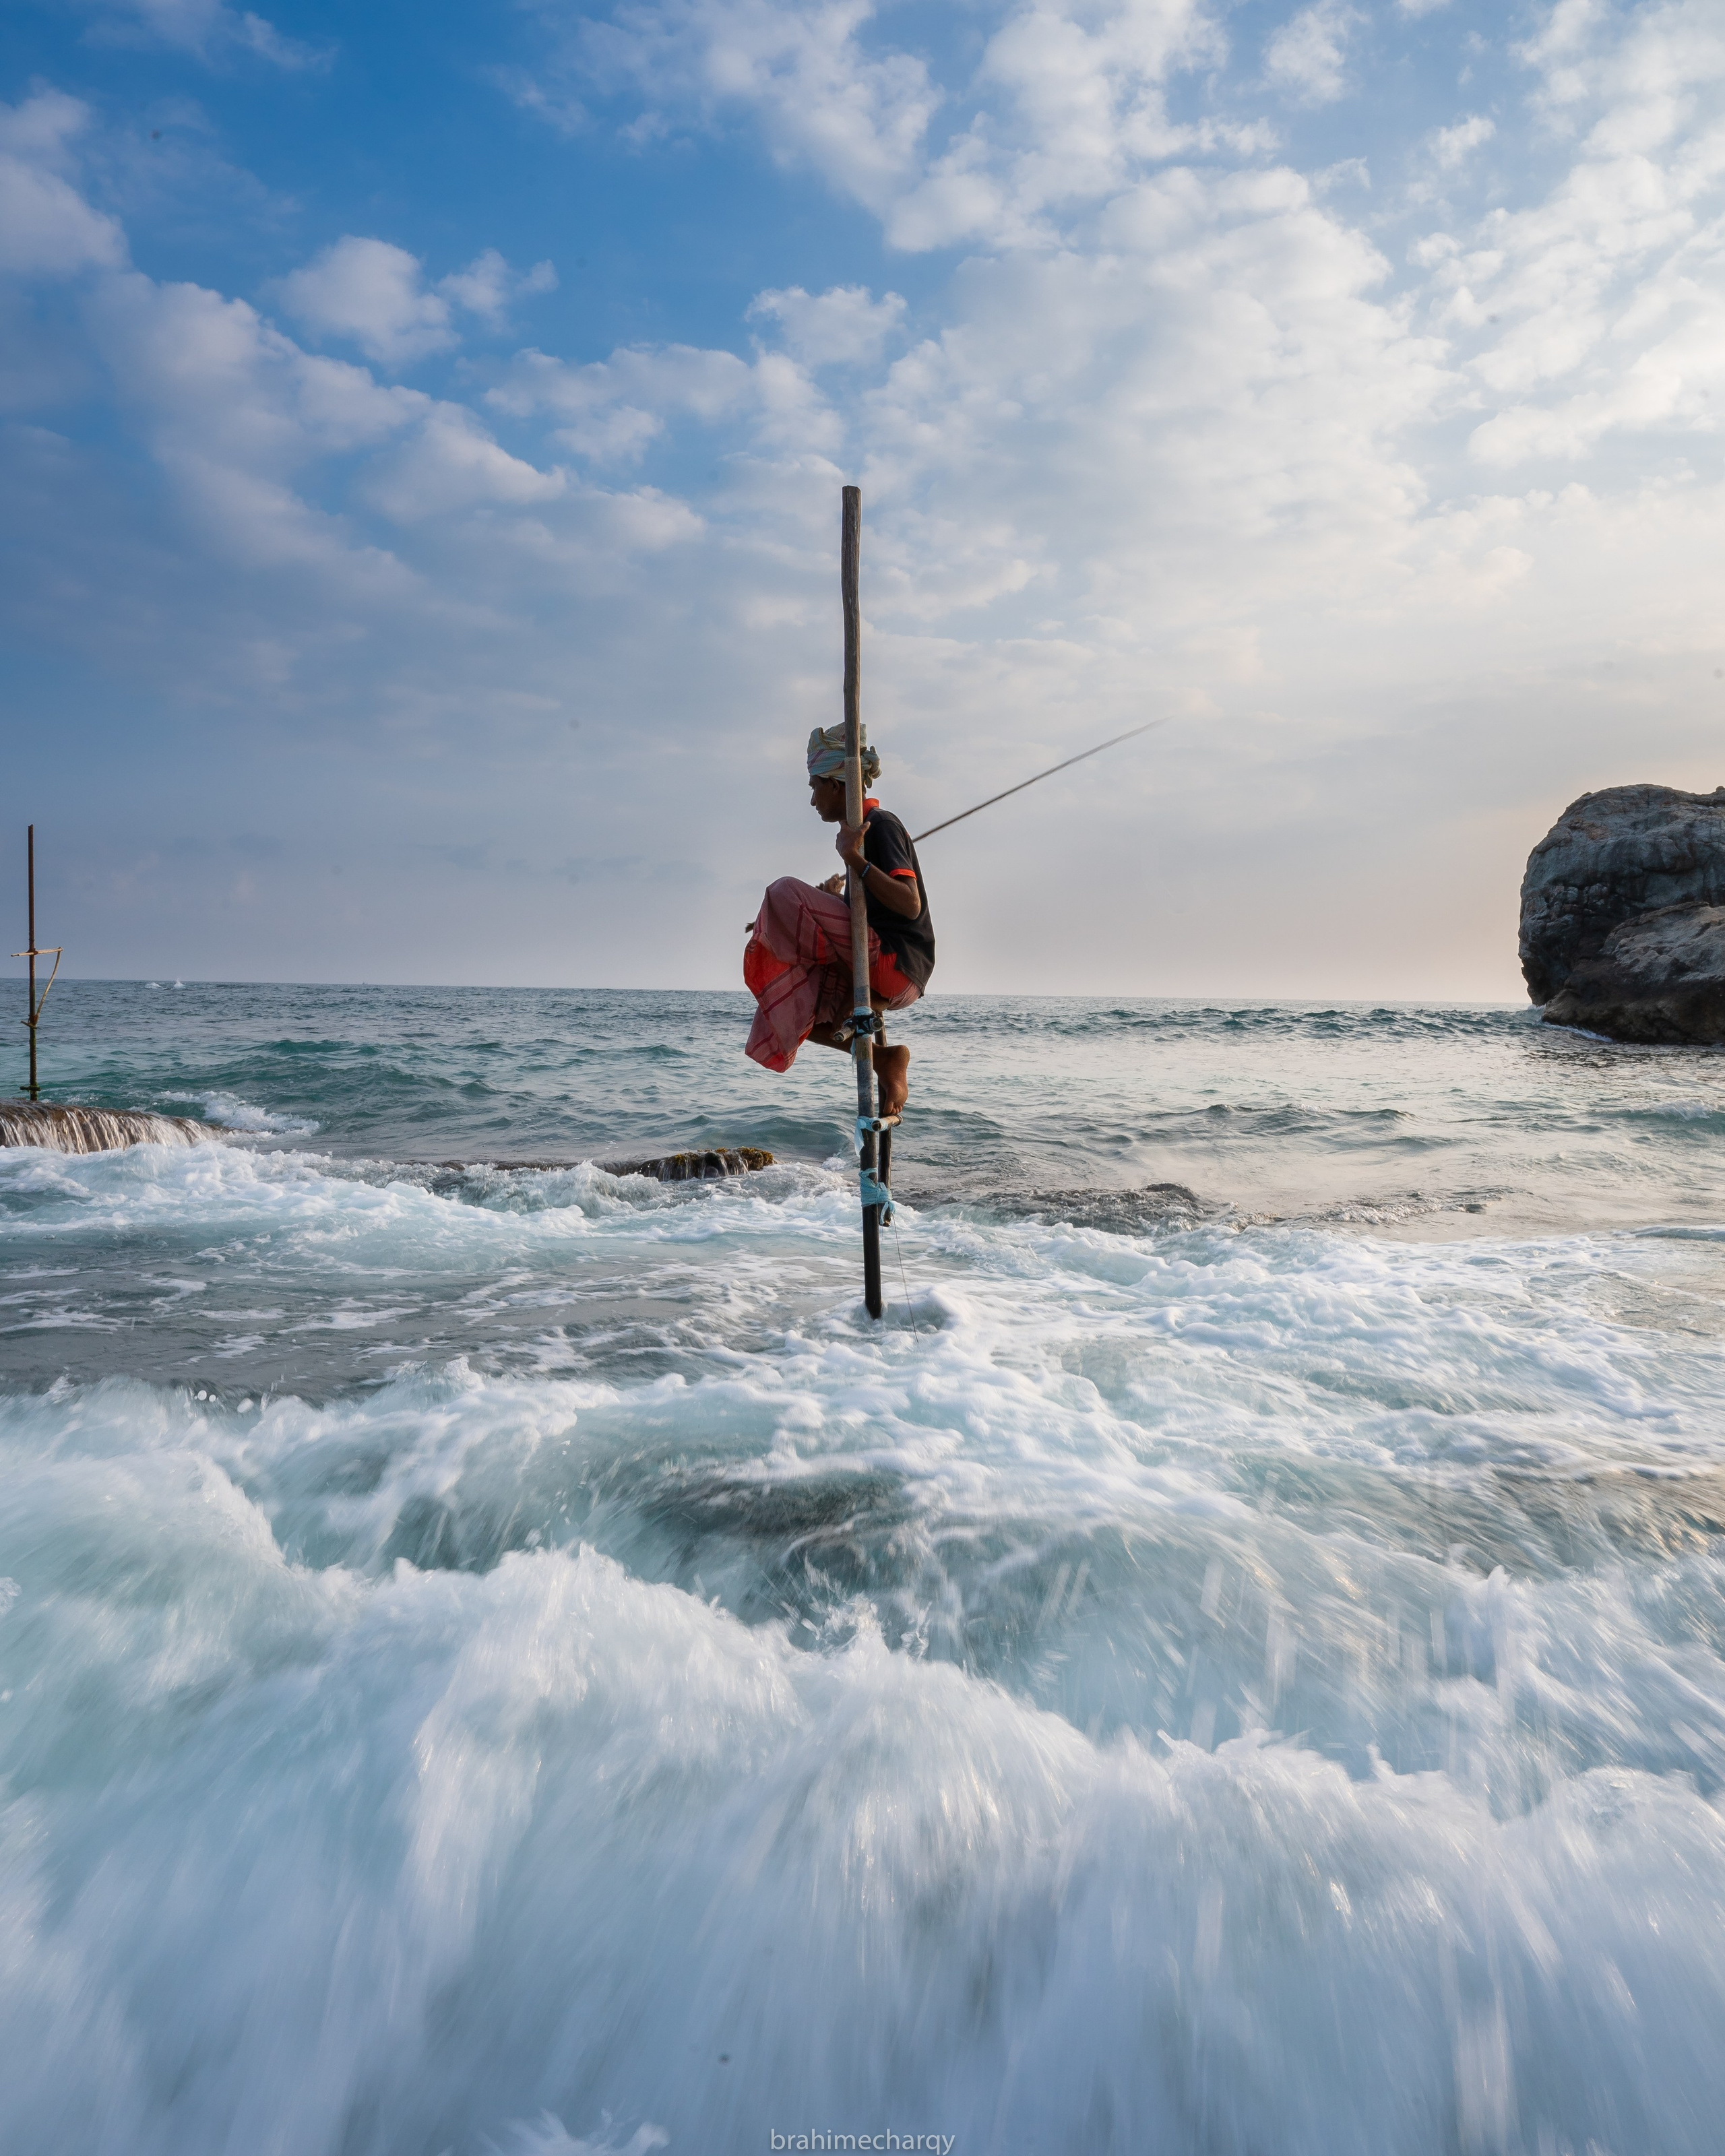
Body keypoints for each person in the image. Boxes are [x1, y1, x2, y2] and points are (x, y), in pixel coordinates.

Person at [743, 724, 935, 1115]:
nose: (813, 800)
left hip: (898, 964)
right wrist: (836, 898)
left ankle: (886, 1059)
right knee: (784, 1011)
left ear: (836, 785)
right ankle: (885, 1061)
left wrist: (857, 862)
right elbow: (867, 911)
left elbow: (910, 904)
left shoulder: (881, 826)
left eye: (815, 787)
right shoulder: (859, 836)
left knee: (782, 892)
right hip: (880, 968)